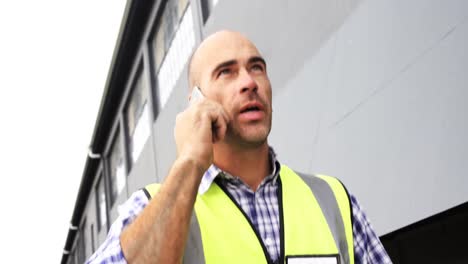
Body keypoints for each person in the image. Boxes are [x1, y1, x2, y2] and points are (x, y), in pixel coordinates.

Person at [87, 30, 392, 264]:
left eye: (256, 68)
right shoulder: (150, 206)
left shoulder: (333, 201)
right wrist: (191, 160)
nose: (249, 82)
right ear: (196, 101)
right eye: (227, 72)